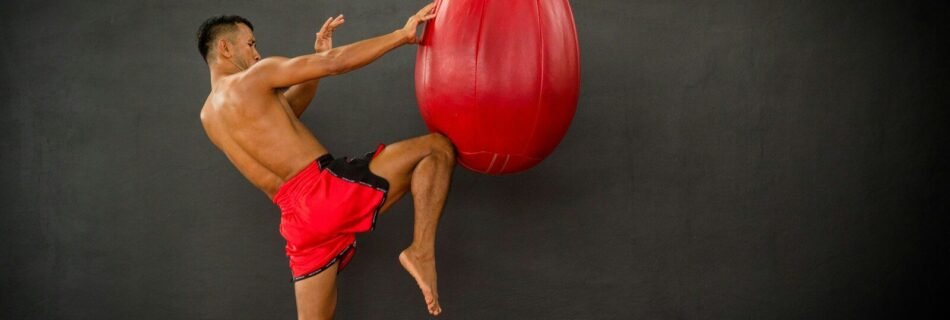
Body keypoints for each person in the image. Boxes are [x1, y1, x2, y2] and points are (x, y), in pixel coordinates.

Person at [197, 3, 452, 318]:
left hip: (298, 224)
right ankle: (420, 251)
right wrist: (401, 35)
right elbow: (335, 64)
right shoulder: (256, 76)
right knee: (437, 148)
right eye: (250, 44)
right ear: (224, 48)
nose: (257, 54)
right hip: (325, 192)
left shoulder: (209, 117)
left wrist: (318, 55)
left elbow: (283, 116)